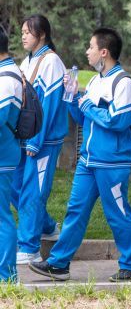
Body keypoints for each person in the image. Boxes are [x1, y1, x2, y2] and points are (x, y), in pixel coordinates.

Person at [29, 28, 131, 282]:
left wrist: (88, 105)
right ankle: (59, 264)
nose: (87, 52)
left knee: (118, 213)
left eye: (90, 47)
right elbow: (82, 119)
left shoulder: (123, 83)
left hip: (112, 163)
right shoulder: (94, 81)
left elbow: (118, 121)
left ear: (104, 52)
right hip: (88, 161)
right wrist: (71, 97)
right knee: (75, 211)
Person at [14, 15, 68, 265]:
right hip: (25, 138)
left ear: (42, 34)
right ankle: (47, 226)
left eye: (28, 32)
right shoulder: (28, 60)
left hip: (43, 142)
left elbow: (50, 104)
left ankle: (29, 248)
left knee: (33, 192)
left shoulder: (52, 61)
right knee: (15, 188)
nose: (23, 35)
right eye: (22, 31)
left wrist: (36, 141)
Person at [0, 27, 23, 283]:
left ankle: (6, 277)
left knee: (2, 217)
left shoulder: (6, 78)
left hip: (2, 154)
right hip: (5, 151)